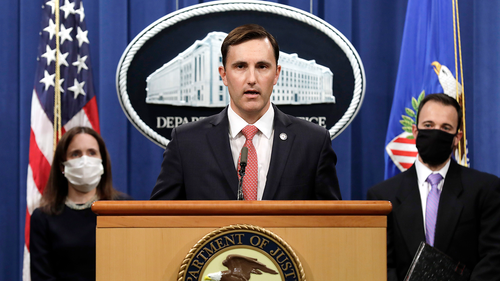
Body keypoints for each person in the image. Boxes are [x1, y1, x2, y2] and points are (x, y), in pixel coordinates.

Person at [151, 24, 341, 200]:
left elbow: (331, 224)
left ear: (276, 74)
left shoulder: (313, 142)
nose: (252, 79)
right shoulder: (186, 142)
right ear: (224, 74)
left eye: (262, 67)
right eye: (240, 66)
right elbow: (160, 221)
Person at [367, 93, 500, 281]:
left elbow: (493, 258)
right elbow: (380, 264)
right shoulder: (382, 196)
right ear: (415, 131)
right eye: (428, 126)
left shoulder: (485, 189)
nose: (436, 133)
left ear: (457, 137)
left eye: (446, 128)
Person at [30, 126, 128, 281]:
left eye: (92, 153)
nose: (85, 160)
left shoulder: (124, 209)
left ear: (102, 162)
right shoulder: (43, 218)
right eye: (75, 154)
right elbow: (42, 276)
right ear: (62, 166)